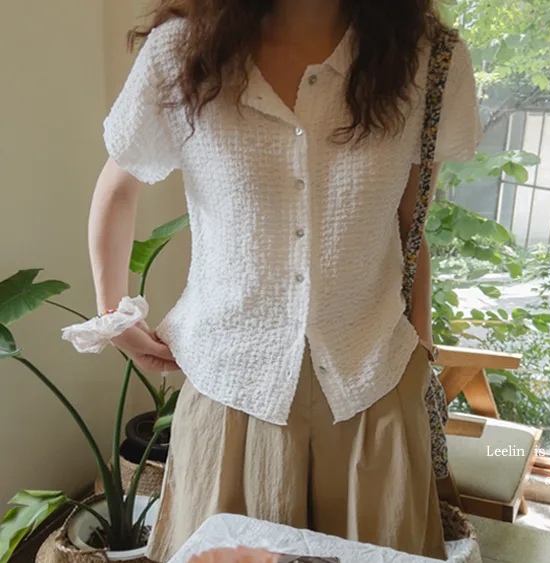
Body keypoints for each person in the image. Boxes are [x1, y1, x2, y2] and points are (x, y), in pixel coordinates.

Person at [89, 0, 481, 561]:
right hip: (230, 393)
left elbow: (410, 223)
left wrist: (421, 344)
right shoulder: (181, 52)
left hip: (374, 387)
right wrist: (111, 313)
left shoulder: (427, 58)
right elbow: (118, 187)